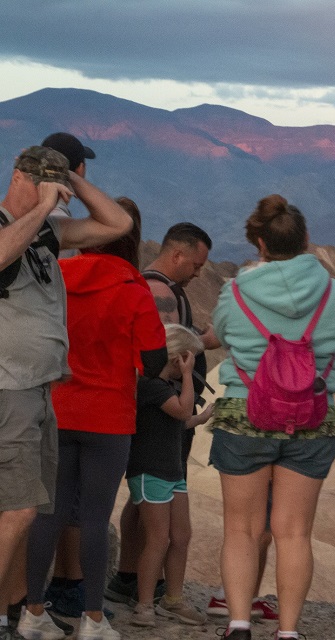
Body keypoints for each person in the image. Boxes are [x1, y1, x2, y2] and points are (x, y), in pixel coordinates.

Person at [0, 146, 131, 640]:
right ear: (18, 176)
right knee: (18, 509)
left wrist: (73, 184)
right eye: (41, 183)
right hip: (6, 385)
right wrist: (37, 208)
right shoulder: (11, 224)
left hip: (39, 390)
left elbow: (116, 224)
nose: (51, 197)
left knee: (31, 508)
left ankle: (14, 611)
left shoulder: (48, 233)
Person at [21, 197, 166, 640]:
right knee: (94, 519)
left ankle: (32, 613)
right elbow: (154, 362)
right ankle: (94, 620)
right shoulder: (134, 288)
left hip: (58, 410)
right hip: (109, 418)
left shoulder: (57, 278)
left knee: (49, 513)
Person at [210, 194, 335, 640]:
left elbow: (225, 333)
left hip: (244, 415)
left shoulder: (235, 291)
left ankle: (238, 625)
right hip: (311, 416)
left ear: (259, 243)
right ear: (306, 239)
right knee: (293, 532)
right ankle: (289, 631)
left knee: (242, 529)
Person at [107, 222, 216, 605]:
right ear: (178, 255)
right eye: (197, 264)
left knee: (143, 504)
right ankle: (137, 583)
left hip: (167, 417)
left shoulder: (160, 287)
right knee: (150, 511)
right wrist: (204, 342)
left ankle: (131, 576)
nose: (200, 272)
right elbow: (165, 347)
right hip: (162, 422)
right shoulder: (160, 292)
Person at [126, 324, 211, 629]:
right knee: (158, 539)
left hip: (171, 471)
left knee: (182, 536)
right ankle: (144, 604)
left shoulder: (166, 390)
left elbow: (179, 421)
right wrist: (188, 377)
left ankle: (172, 599)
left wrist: (202, 418)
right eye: (188, 361)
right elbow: (181, 411)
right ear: (178, 359)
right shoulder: (151, 386)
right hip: (151, 471)